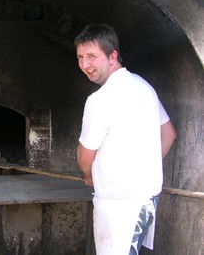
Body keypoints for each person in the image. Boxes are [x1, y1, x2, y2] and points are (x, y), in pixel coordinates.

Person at [74, 24, 177, 255]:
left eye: (92, 56)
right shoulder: (144, 87)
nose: (84, 65)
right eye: (80, 57)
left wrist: (89, 175)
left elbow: (85, 156)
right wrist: (146, 167)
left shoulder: (100, 100)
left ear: (112, 56)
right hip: (146, 202)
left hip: (120, 209)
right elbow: (169, 134)